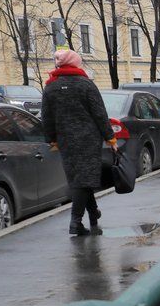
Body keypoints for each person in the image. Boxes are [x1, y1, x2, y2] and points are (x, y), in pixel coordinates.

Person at [41, 49, 117, 236]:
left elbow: (47, 117)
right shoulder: (86, 85)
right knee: (83, 180)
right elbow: (99, 114)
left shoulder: (51, 87)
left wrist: (52, 139)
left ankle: (93, 214)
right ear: (75, 63)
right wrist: (110, 137)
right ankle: (75, 222)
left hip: (66, 140)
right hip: (88, 139)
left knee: (81, 178)